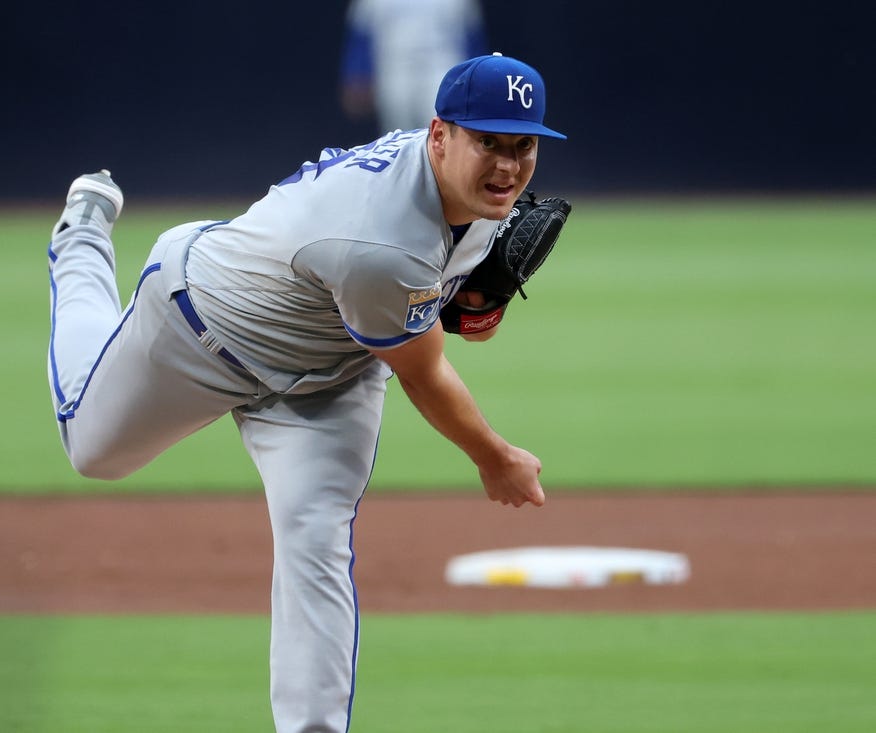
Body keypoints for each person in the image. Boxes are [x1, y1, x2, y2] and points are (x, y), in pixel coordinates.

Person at [46, 53, 565, 733]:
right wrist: (494, 455)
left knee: (314, 537)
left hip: (329, 378)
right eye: (487, 142)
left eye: (522, 145)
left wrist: (466, 303)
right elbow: (425, 371)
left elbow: (453, 317)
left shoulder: (475, 201)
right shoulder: (384, 242)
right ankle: (82, 237)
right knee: (93, 452)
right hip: (199, 328)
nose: (507, 165)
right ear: (439, 135)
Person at [339, 0, 487, 133]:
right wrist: (357, 74)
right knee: (396, 132)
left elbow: (471, 37)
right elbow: (362, 34)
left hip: (441, 68)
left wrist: (476, 78)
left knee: (443, 128)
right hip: (395, 67)